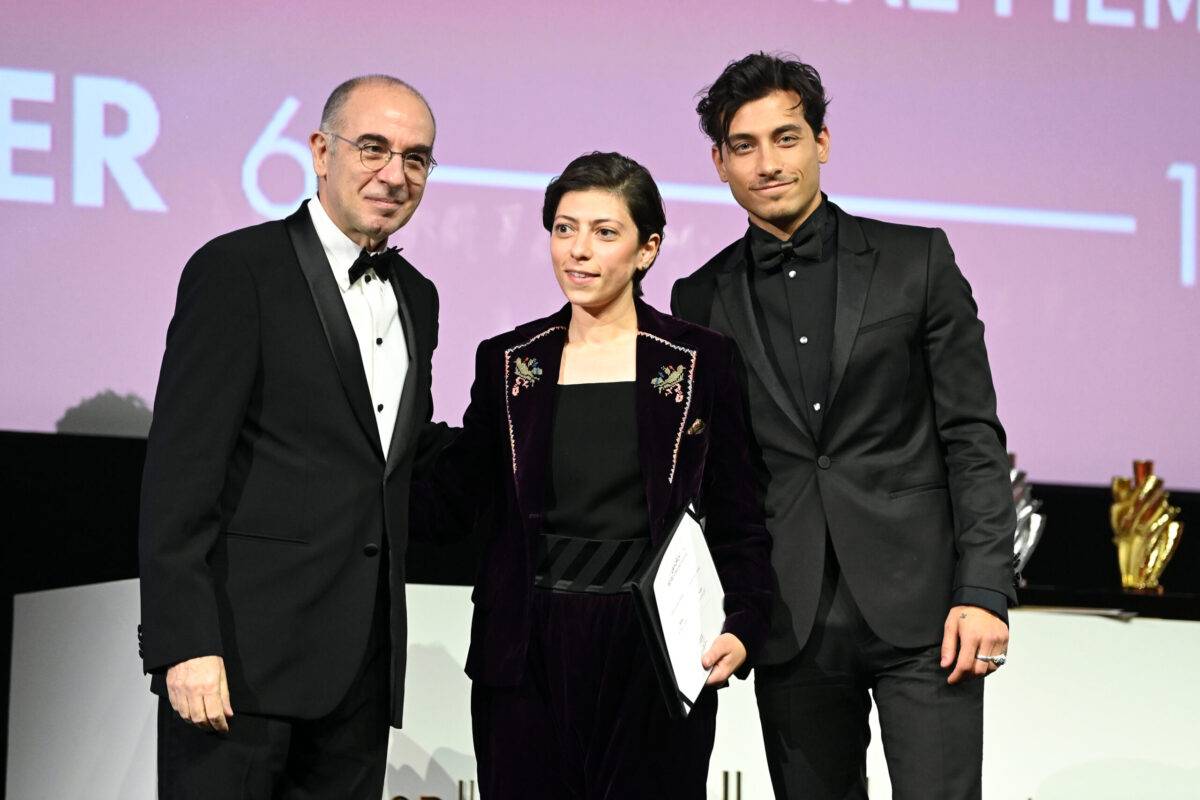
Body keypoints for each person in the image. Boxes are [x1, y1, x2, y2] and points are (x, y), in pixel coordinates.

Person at [671, 53, 1017, 799]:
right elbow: (713, 477)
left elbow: (973, 437)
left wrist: (985, 590)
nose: (768, 163)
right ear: (719, 163)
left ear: (822, 141)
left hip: (927, 614)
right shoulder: (698, 297)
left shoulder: (915, 261)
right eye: (745, 146)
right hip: (790, 620)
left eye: (786, 138)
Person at [414, 152, 772, 798]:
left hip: (655, 650)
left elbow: (738, 507)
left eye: (605, 233)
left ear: (647, 248)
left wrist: (745, 621)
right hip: (525, 649)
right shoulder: (508, 361)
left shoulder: (700, 362)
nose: (578, 251)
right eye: (563, 228)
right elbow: (456, 497)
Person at [138, 74, 453, 799]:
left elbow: (395, 459)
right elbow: (181, 472)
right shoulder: (237, 270)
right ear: (320, 150)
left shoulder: (418, 297)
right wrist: (185, 644)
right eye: (372, 148)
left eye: (415, 158)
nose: (393, 174)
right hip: (240, 666)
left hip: (360, 673)